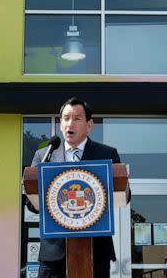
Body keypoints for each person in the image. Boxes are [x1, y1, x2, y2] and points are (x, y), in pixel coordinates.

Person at [30, 97, 124, 278]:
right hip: (54, 254)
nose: (69, 123)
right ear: (60, 124)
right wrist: (28, 194)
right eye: (66, 118)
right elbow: (31, 203)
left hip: (95, 251)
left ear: (89, 125)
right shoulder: (44, 155)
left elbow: (124, 195)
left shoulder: (107, 154)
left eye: (76, 118)